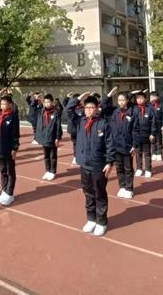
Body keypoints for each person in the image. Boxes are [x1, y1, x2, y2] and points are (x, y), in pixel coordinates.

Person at [67, 93, 115, 237]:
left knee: (99, 193)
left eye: (92, 107)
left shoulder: (103, 124)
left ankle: (101, 222)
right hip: (85, 164)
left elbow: (110, 144)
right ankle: (91, 219)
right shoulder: (80, 122)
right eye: (86, 107)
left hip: (98, 165)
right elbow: (68, 110)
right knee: (88, 193)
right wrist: (77, 99)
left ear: (97, 108)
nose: (89, 110)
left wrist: (109, 162)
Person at [0, 94, 20, 206]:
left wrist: (15, 148)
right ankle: (4, 191)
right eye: (1, 104)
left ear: (10, 105)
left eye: (5, 104)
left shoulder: (13, 117)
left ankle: (9, 193)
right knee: (3, 171)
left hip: (8, 149)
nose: (3, 106)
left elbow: (15, 134)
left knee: (10, 172)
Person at [110, 91, 135, 198]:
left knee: (128, 168)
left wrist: (134, 145)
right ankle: (122, 186)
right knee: (119, 167)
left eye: (123, 100)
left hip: (128, 145)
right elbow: (112, 128)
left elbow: (135, 130)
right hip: (117, 145)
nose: (120, 102)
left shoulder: (131, 112)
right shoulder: (115, 112)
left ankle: (129, 188)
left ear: (127, 100)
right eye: (119, 100)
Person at [34, 94, 63, 181]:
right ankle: (47, 170)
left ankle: (52, 171)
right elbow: (33, 109)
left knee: (52, 155)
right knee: (46, 155)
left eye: (48, 102)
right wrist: (36, 100)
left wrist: (58, 137)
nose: (46, 104)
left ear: (52, 102)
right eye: (45, 102)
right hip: (44, 137)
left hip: (52, 137)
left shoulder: (56, 112)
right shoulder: (41, 111)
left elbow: (58, 126)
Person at [132, 91, 157, 178]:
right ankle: (139, 168)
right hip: (137, 136)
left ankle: (148, 169)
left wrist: (152, 133)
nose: (139, 100)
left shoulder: (150, 109)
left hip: (147, 135)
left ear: (145, 99)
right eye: (137, 98)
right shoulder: (134, 109)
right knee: (138, 153)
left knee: (147, 153)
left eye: (141, 98)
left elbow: (153, 122)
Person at [149, 91, 163, 161]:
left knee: (159, 140)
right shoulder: (149, 105)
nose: (152, 98)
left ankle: (159, 153)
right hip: (151, 126)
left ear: (157, 97)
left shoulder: (161, 104)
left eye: (153, 97)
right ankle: (154, 153)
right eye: (151, 97)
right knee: (152, 140)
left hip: (159, 125)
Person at [63, 92, 81, 165]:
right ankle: (75, 156)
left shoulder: (82, 107)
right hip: (73, 129)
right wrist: (67, 97)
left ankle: (79, 156)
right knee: (75, 143)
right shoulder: (71, 107)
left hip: (80, 128)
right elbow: (65, 103)